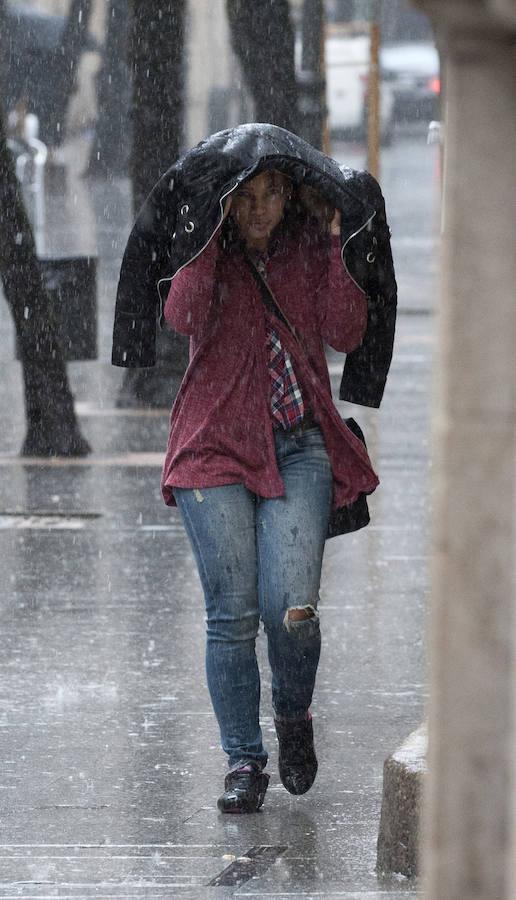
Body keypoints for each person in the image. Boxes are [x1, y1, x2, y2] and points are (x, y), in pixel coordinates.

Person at [160, 167, 380, 814]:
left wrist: (339, 239)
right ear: (229, 202)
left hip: (296, 444)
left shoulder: (309, 246)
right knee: (231, 614)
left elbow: (345, 331)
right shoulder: (210, 246)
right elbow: (183, 315)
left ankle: (292, 711)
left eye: (273, 195)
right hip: (213, 444)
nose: (259, 211)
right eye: (246, 198)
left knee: (291, 608)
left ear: (291, 197)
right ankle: (242, 760)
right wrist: (203, 237)